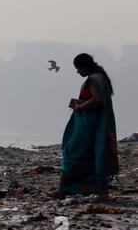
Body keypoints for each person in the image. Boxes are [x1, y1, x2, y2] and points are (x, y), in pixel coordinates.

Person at [48, 54, 119, 201]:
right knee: (94, 155)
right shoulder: (100, 77)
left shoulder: (95, 78)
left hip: (89, 125)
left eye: (78, 69)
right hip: (92, 123)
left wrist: (81, 107)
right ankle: (100, 192)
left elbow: (97, 100)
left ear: (84, 66)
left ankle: (64, 189)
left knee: (71, 152)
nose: (77, 72)